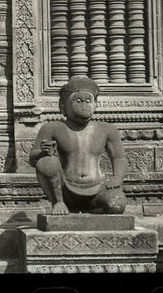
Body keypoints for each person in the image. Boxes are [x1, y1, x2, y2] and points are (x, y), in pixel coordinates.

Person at [28, 75, 127, 215]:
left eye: (88, 100)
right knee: (46, 163)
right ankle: (58, 203)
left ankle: (83, 211)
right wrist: (44, 153)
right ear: (62, 106)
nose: (84, 105)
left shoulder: (106, 129)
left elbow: (118, 157)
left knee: (117, 205)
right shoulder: (53, 128)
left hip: (97, 188)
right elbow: (33, 159)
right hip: (64, 189)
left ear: (96, 104)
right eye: (78, 100)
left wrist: (117, 178)